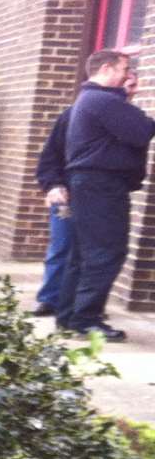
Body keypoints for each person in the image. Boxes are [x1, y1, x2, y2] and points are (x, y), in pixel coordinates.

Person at [57, 49, 155, 341]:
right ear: (108, 69)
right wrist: (127, 102)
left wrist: (125, 99)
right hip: (100, 186)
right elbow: (142, 131)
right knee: (106, 252)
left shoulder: (92, 100)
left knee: (82, 253)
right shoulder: (102, 99)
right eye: (125, 68)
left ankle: (70, 316)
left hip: (88, 185)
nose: (129, 74)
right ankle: (86, 319)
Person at [33, 103, 74, 316]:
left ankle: (83, 304)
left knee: (92, 252)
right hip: (67, 197)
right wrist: (52, 185)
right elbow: (50, 155)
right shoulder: (72, 115)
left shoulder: (127, 120)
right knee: (61, 245)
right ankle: (49, 299)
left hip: (101, 199)